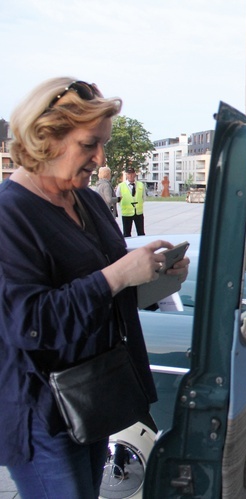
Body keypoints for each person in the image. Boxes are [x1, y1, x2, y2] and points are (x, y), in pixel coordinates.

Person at [0, 77, 190, 498]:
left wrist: (156, 280)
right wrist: (119, 274)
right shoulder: (10, 215)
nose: (100, 158)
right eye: (89, 144)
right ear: (46, 138)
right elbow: (29, 322)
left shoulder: (84, 199)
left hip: (91, 400)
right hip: (43, 415)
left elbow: (104, 297)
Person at [116, 167, 146, 236]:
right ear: (126, 175)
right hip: (127, 212)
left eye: (132, 174)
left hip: (138, 212)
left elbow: (144, 197)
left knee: (141, 232)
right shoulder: (121, 186)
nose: (130, 176)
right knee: (126, 233)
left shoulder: (140, 184)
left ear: (135, 174)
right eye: (129, 174)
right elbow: (118, 198)